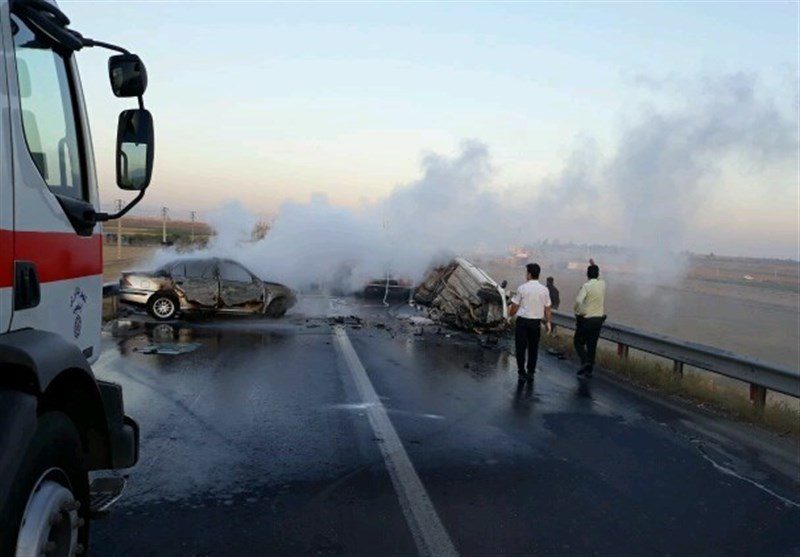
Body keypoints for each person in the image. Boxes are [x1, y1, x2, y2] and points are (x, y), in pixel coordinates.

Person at [509, 263, 552, 381]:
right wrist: (548, 323)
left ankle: (521, 372)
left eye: (526, 273)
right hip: (535, 324)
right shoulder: (544, 290)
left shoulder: (522, 288)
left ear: (529, 274)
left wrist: (510, 314)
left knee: (520, 348)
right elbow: (547, 308)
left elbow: (514, 306)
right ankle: (531, 372)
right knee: (533, 348)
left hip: (522, 322)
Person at [573, 262, 607, 377]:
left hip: (586, 320)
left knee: (578, 342)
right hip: (598, 320)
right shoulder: (602, 284)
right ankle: (589, 370)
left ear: (587, 275)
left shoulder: (586, 286)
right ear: (597, 275)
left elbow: (578, 301)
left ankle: (585, 362)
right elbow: (599, 278)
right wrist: (594, 265)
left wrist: (578, 311)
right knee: (592, 344)